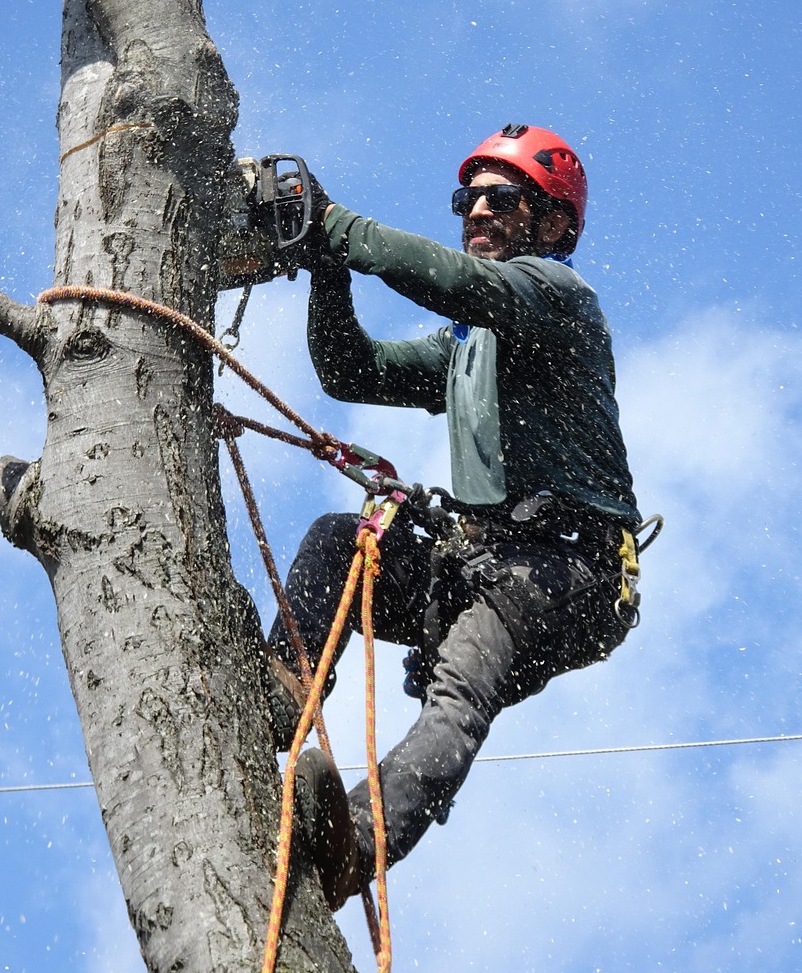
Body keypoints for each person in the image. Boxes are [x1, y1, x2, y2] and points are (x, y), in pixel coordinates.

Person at [266, 123, 644, 910]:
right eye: (465, 199)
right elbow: (349, 369)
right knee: (340, 543)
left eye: (500, 199)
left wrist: (335, 225)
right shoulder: (470, 344)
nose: (475, 211)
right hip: (486, 558)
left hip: (568, 568)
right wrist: (325, 269)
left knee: (460, 689)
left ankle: (357, 846)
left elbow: (454, 283)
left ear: (552, 225)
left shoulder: (556, 298)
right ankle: (283, 687)